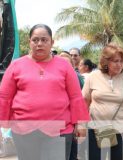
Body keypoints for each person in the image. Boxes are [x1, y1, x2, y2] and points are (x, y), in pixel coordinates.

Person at [0, 24, 89, 160]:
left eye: (44, 40)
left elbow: (75, 96)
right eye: (35, 40)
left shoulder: (64, 65)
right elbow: (4, 97)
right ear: (29, 42)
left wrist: (81, 123)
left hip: (60, 129)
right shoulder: (16, 65)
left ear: (52, 42)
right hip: (24, 130)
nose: (39, 44)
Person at [82, 43, 123, 160]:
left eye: (122, 61)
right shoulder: (93, 77)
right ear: (106, 61)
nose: (119, 64)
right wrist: (81, 124)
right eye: (115, 61)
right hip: (95, 129)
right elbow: (85, 101)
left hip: (120, 130)